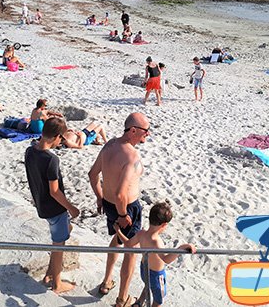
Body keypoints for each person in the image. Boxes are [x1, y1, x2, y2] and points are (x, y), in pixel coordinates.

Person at [88, 113, 150, 307]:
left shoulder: (110, 145)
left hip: (108, 203)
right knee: (131, 251)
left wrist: (100, 198)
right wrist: (123, 215)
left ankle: (107, 281)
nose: (147, 135)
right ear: (133, 130)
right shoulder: (132, 156)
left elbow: (92, 174)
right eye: (145, 132)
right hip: (126, 209)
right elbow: (122, 194)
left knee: (115, 239)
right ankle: (122, 298)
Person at [24, 117, 80, 294]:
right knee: (59, 245)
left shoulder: (29, 151)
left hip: (41, 204)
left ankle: (49, 273)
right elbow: (55, 191)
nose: (61, 142)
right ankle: (57, 283)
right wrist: (71, 207)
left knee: (64, 232)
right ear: (56, 137)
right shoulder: (51, 159)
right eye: (61, 138)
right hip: (55, 208)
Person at [114, 202, 197, 307]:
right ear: (164, 225)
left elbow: (128, 244)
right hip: (157, 276)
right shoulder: (156, 242)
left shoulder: (141, 233)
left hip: (144, 269)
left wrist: (118, 231)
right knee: (159, 299)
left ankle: (139, 302)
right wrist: (181, 248)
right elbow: (166, 259)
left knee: (148, 285)